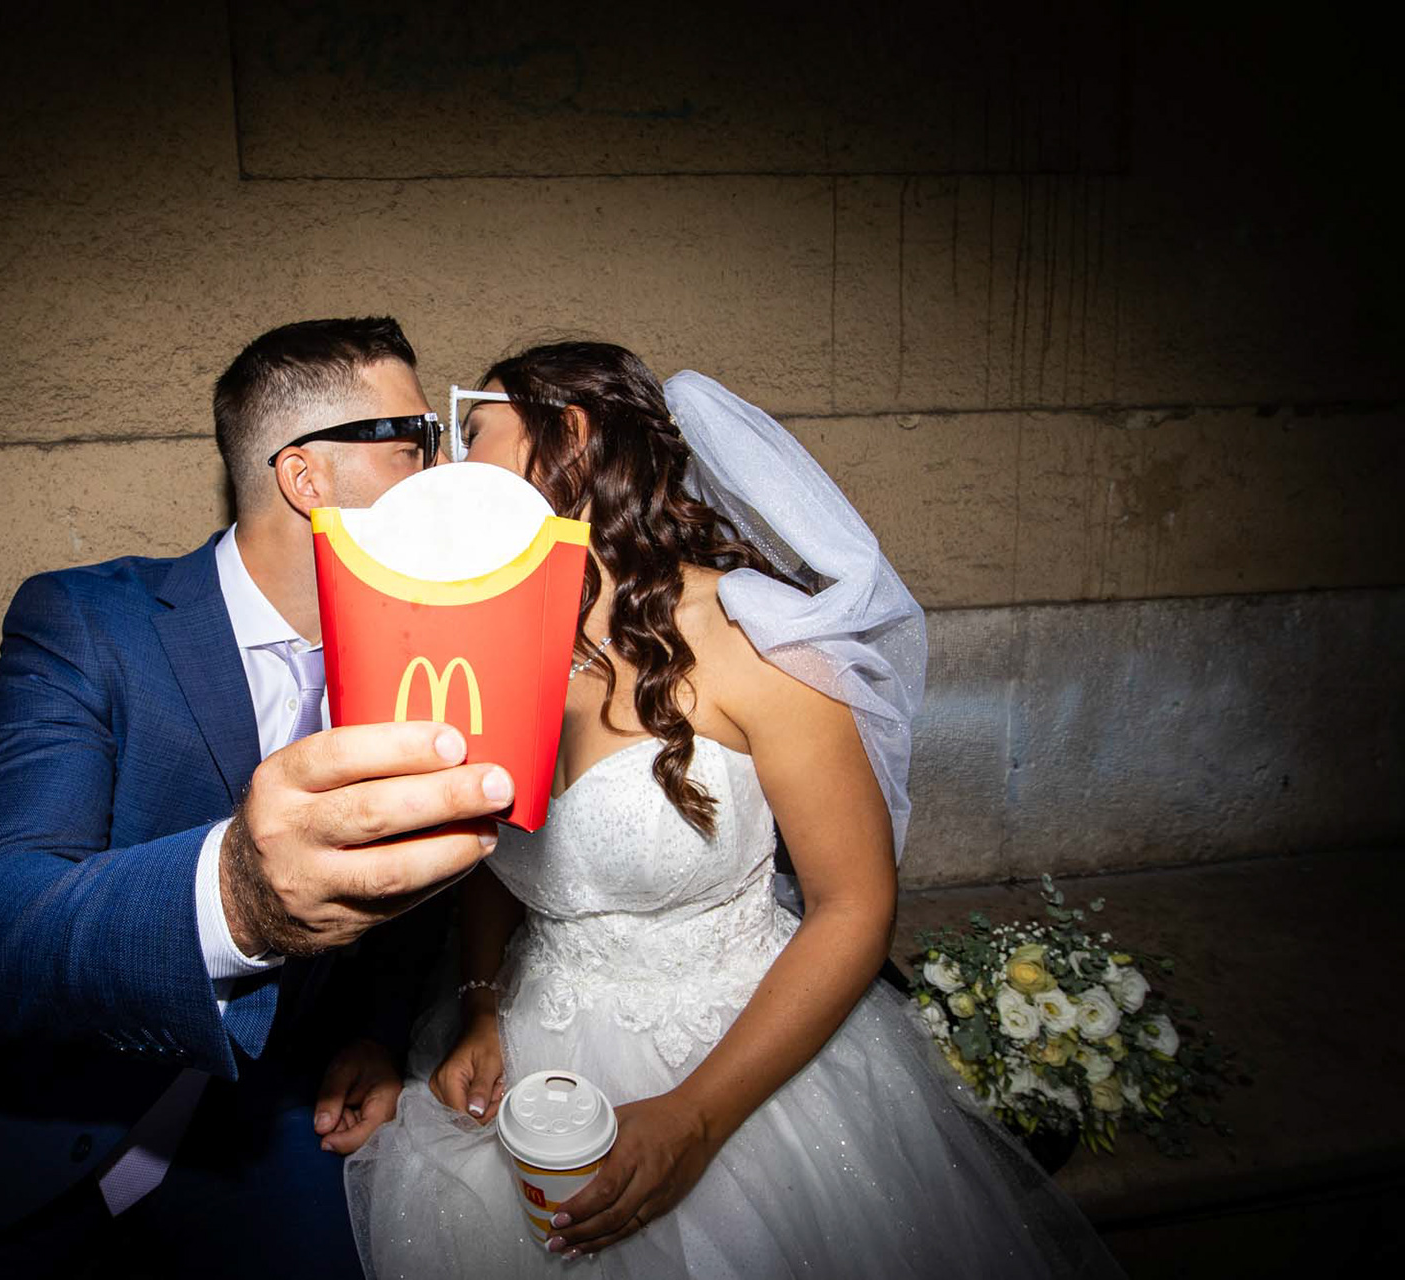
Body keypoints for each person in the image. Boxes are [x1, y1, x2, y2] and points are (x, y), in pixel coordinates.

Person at [345, 342, 1125, 1278]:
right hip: (538, 1048)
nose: (450, 464)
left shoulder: (761, 640)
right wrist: (480, 1004)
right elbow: (495, 846)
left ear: (571, 436)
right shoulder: (487, 645)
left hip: (737, 1051)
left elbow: (854, 907)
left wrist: (695, 1119)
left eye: (474, 433)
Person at [0, 318, 517, 1279]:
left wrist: (376, 1037)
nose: (444, 470)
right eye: (414, 442)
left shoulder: (429, 654)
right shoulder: (89, 623)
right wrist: (239, 898)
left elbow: (404, 897)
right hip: (41, 1125)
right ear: (305, 478)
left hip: (269, 1124)